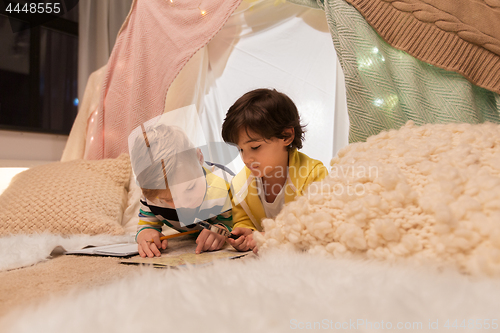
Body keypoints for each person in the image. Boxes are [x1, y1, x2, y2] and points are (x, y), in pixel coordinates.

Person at [221, 88, 328, 253]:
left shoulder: (314, 175)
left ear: (286, 136)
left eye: (255, 147)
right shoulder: (240, 184)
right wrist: (246, 231)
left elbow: (319, 224)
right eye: (241, 149)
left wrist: (273, 236)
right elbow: (242, 219)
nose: (246, 158)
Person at [130, 123, 233, 258]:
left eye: (190, 188)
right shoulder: (153, 194)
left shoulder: (225, 185)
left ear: (199, 157)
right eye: (168, 200)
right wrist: (146, 233)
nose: (181, 205)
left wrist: (223, 230)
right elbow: (147, 223)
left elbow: (242, 222)